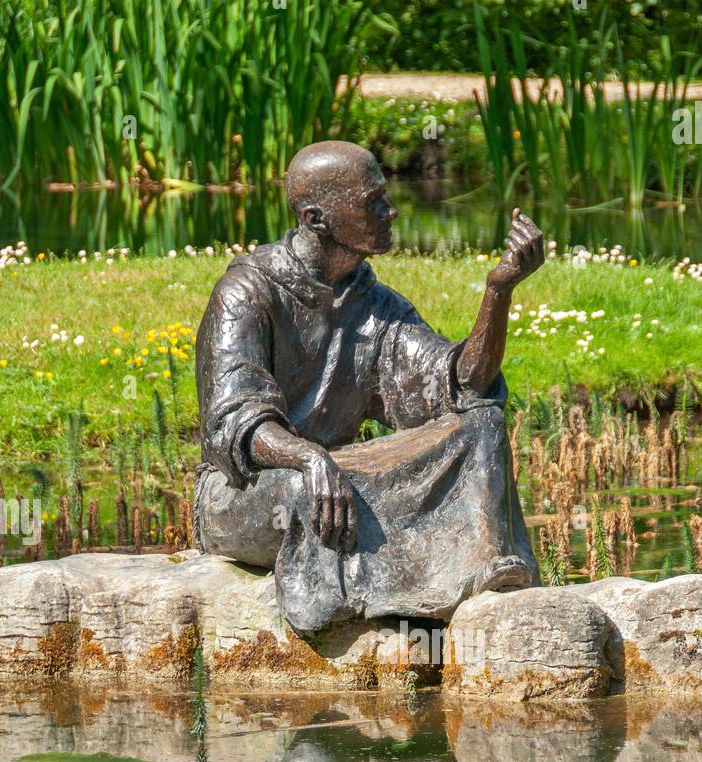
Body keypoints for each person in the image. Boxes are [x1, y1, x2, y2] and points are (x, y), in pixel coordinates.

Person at [194, 141, 544, 635]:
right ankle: (358, 599)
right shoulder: (247, 292)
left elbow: (461, 385)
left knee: (482, 421)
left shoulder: (376, 305)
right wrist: (309, 458)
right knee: (301, 492)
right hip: (245, 490)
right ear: (317, 219)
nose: (391, 210)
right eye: (371, 202)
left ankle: (487, 568)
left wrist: (499, 291)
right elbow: (235, 423)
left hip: (339, 477)